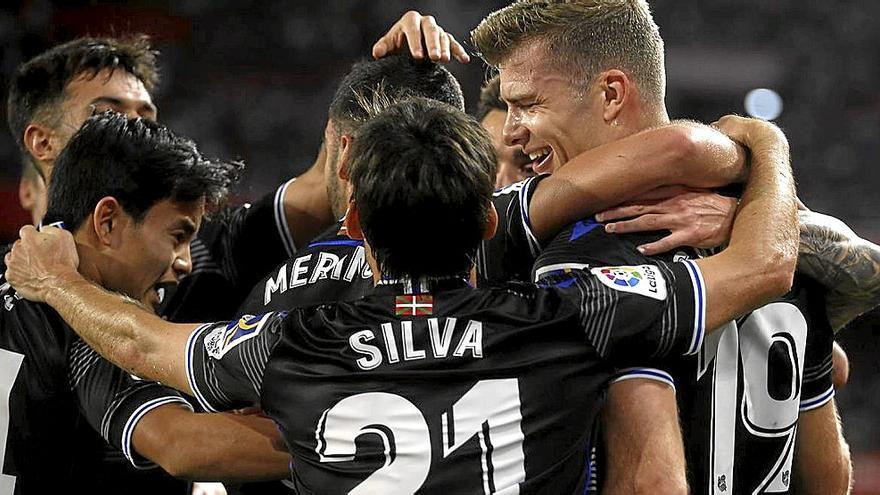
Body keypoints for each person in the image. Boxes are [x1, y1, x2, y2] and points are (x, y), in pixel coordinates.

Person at [6, 95, 797, 493]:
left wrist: (57, 281)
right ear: (488, 217)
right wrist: (767, 143)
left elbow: (142, 341)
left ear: (356, 220)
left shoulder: (291, 343)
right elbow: (765, 265)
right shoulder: (574, 310)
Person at [469, 1, 853, 492]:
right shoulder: (778, 231)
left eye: (528, 104)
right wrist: (762, 145)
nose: (511, 129)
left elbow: (647, 481)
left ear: (611, 94)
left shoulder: (582, 256)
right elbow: (828, 478)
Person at [0, 112, 290, 494]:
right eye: (177, 235)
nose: (186, 262)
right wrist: (343, 438)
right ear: (107, 221)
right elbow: (181, 444)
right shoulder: (84, 320)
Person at [6, 35, 335, 323]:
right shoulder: (9, 298)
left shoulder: (207, 252)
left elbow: (329, 178)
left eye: (147, 116)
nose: (138, 130)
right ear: (43, 143)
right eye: (109, 114)